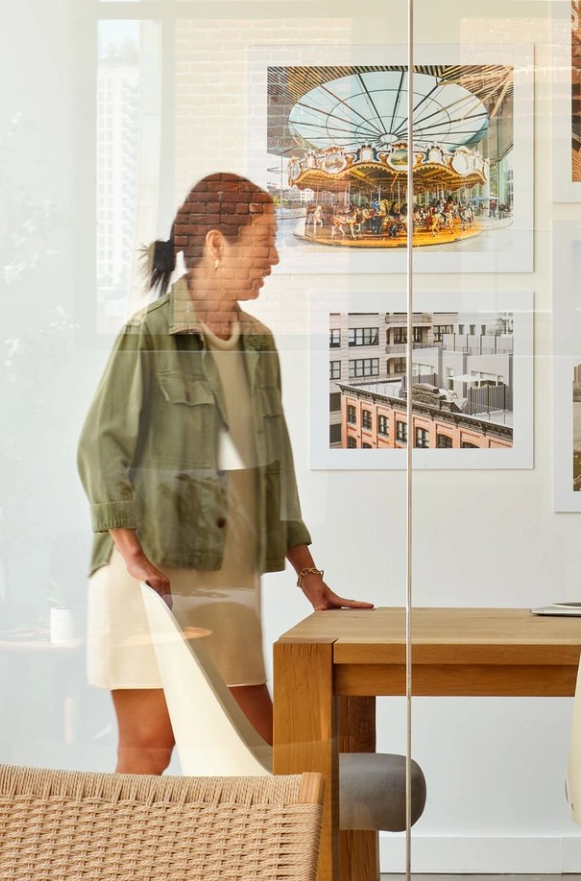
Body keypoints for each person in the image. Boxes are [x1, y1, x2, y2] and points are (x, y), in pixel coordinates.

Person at [74, 171, 364, 775]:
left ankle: (251, 871)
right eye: (264, 241)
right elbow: (101, 447)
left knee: (273, 757)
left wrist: (309, 576)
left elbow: (273, 469)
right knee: (150, 749)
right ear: (215, 244)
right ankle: (126, 872)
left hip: (228, 579)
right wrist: (129, 553)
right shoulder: (148, 335)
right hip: (153, 578)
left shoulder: (258, 344)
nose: (274, 258)